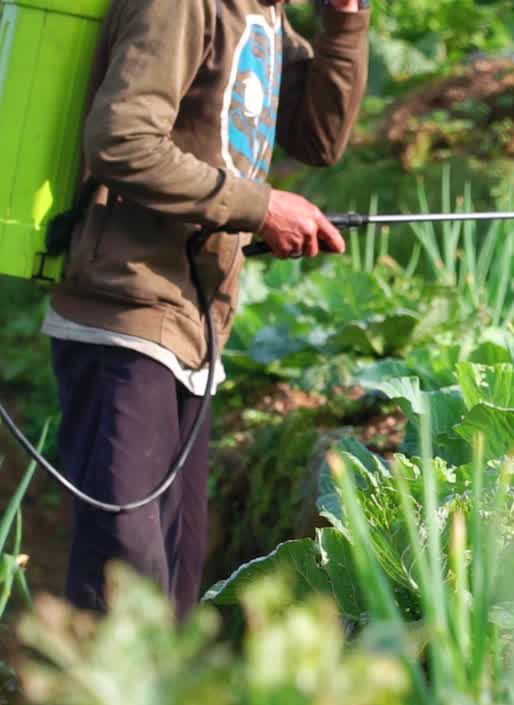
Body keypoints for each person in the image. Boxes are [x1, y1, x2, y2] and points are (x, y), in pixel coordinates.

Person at [40, 0, 371, 617]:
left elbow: (320, 139)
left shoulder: (267, 16)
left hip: (195, 326)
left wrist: (346, 21)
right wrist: (260, 208)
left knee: (177, 583)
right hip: (124, 312)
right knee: (127, 584)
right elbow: (121, 139)